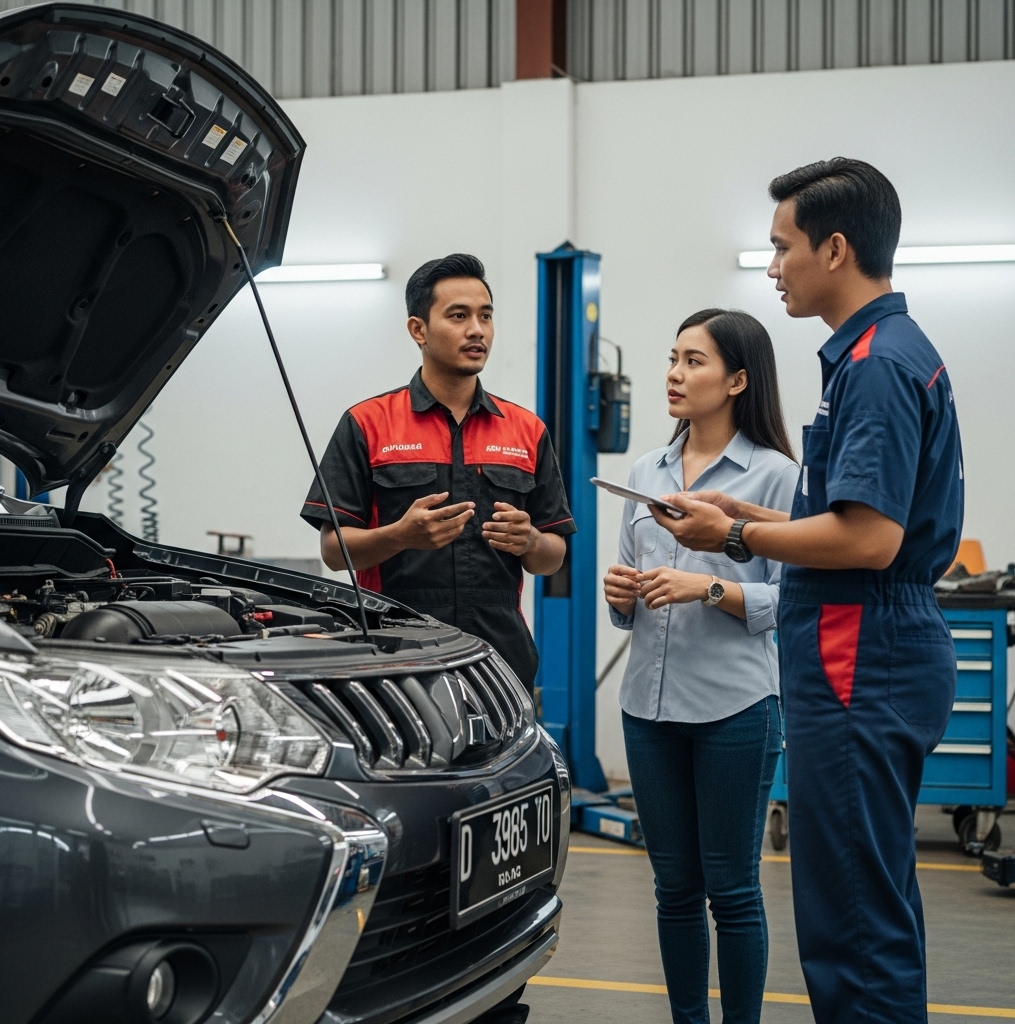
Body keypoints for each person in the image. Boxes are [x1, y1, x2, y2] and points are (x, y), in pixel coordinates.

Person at [649, 160, 963, 1024]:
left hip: (862, 646)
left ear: (835, 247)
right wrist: (746, 509)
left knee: (852, 918)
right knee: (866, 900)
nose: (772, 265)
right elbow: (850, 515)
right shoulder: (883, 355)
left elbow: (869, 537)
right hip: (867, 642)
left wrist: (735, 537)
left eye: (783, 247)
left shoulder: (875, 366)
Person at [603, 308, 799, 1024]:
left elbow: (793, 599)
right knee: (673, 889)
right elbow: (631, 594)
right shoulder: (644, 471)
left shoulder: (776, 477)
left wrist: (707, 588)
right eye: (673, 358)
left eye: (695, 362)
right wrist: (621, 594)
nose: (675, 374)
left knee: (733, 891)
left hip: (735, 710)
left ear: (738, 380)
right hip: (647, 709)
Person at [300, 253, 575, 687]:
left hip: (500, 657)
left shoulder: (527, 429)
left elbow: (552, 558)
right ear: (418, 330)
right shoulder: (367, 423)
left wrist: (531, 540)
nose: (477, 330)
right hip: (394, 651)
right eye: (459, 315)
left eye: (485, 316)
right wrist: (401, 536)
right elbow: (334, 552)